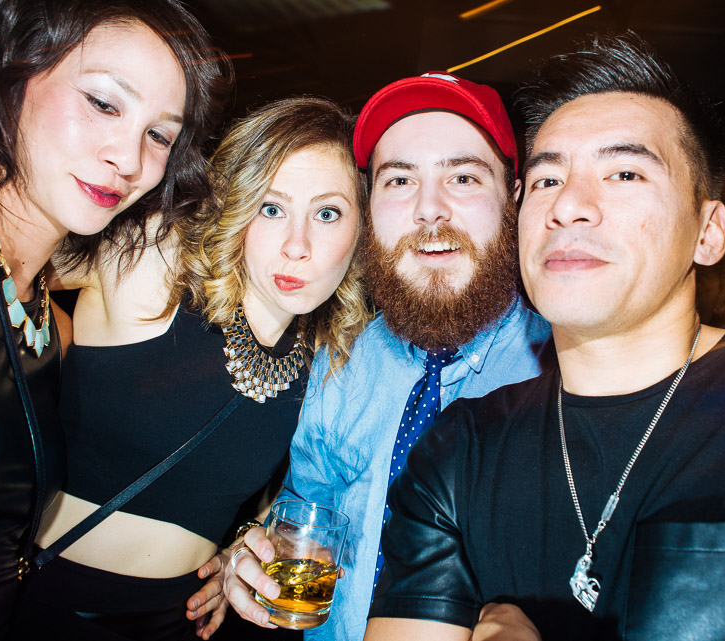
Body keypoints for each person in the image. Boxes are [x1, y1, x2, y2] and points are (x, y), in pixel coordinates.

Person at [365, 34, 725, 641]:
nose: (570, 206)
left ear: (708, 233)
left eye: (625, 172)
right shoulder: (458, 448)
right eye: (547, 179)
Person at [4, 95, 370, 641]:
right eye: (271, 208)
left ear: (363, 228)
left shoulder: (334, 360)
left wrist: (238, 551)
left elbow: (279, 503)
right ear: (238, 205)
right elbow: (3, 254)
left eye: (327, 213)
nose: (297, 246)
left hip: (180, 622)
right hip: (46, 604)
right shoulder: (160, 259)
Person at [0, 1, 228, 639]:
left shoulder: (51, 328)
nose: (130, 158)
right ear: (12, 75)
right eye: (103, 103)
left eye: (159, 136)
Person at [223, 73, 552, 641]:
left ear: (514, 197)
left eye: (463, 177)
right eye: (400, 180)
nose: (430, 210)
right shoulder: (342, 358)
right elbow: (304, 506)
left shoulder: (564, 372)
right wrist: (249, 550)